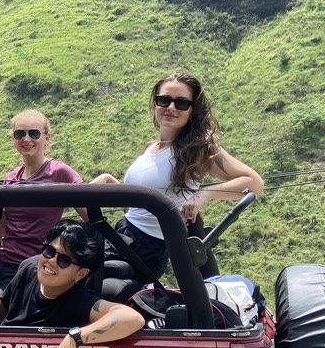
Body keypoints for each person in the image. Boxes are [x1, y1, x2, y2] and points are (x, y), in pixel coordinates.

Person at [95, 71, 264, 279]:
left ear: (192, 111)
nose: (171, 107)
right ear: (155, 104)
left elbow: (254, 183)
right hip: (122, 233)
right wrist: (109, 183)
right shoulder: (151, 148)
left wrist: (204, 194)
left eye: (181, 103)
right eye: (164, 100)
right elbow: (140, 206)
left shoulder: (199, 149)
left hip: (147, 249)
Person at [0, 219, 145, 348]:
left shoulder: (78, 300)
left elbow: (132, 318)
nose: (51, 261)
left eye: (64, 260)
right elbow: (6, 314)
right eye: (49, 251)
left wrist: (74, 339)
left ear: (81, 273)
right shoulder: (29, 269)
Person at [0, 109, 85, 298]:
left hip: (32, 268)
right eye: (20, 134)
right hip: (1, 263)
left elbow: (88, 211)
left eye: (34, 133)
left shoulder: (59, 173)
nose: (26, 139)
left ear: (47, 138)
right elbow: (5, 223)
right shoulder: (12, 177)